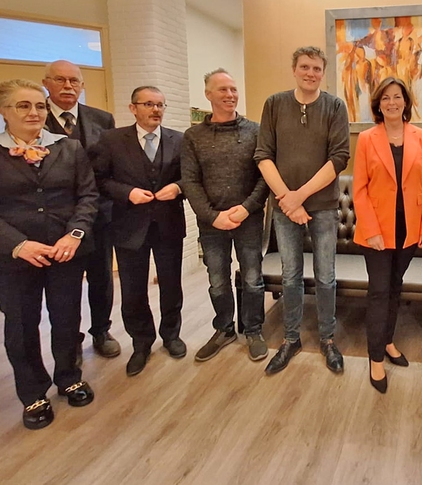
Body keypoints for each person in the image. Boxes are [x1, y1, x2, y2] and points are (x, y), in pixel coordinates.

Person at [0, 79, 99, 429]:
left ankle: (69, 377)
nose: (34, 112)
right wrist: (18, 244)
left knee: (67, 317)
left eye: (40, 106)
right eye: (23, 106)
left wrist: (74, 235)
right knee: (21, 325)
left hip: (64, 252)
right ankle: (33, 394)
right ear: (4, 111)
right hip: (15, 257)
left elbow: (88, 196)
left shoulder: (69, 148)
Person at [254, 46, 350, 375]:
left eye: (317, 68)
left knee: (326, 276)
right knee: (290, 276)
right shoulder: (274, 104)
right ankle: (291, 339)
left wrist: (300, 197)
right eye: (305, 67)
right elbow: (263, 155)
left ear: (323, 72)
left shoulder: (335, 106)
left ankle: (327, 339)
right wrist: (286, 199)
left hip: (322, 206)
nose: (311, 73)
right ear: (294, 69)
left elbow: (339, 158)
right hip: (283, 207)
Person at [92, 86, 186, 377]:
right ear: (133, 108)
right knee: (133, 290)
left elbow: (191, 178)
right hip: (128, 226)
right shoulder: (111, 140)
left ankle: (171, 334)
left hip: (168, 225)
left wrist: (178, 187)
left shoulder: (179, 139)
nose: (155, 110)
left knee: (171, 285)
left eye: (160, 105)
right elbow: (99, 180)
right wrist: (127, 193)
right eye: (148, 104)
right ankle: (141, 343)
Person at [352, 77, 422, 393]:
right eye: (386, 97)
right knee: (379, 291)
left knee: (395, 287)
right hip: (376, 231)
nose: (392, 102)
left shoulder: (421, 137)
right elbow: (359, 189)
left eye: (397, 96)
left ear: (405, 101)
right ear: (378, 104)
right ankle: (375, 357)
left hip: (409, 230)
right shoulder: (367, 139)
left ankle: (387, 340)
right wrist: (372, 230)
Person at [182, 69, 270, 363]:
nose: (230, 95)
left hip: (249, 219)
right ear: (208, 94)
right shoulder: (193, 137)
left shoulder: (255, 131)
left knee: (253, 278)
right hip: (212, 224)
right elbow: (190, 181)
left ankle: (254, 330)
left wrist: (246, 208)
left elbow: (265, 177)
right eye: (222, 89)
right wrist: (212, 216)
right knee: (217, 280)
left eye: (233, 89)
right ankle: (224, 329)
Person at [43, 60, 120, 362]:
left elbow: (113, 166)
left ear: (82, 85)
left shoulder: (102, 119)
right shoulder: (35, 117)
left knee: (101, 278)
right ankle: (69, 341)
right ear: (46, 83)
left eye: (74, 81)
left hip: (98, 215)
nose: (68, 86)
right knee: (65, 286)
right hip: (54, 219)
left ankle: (101, 330)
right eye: (60, 80)